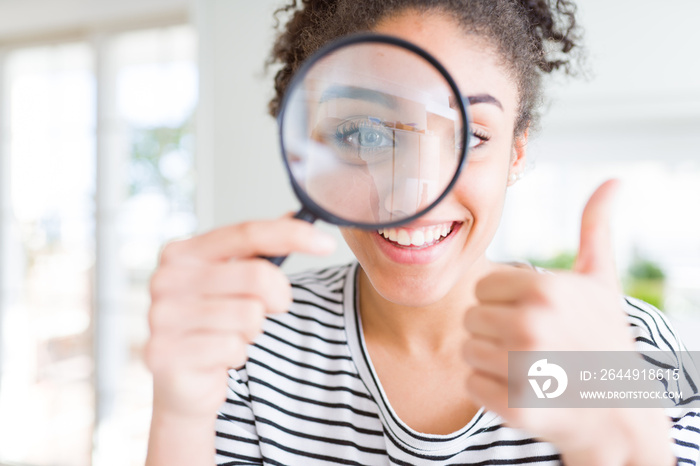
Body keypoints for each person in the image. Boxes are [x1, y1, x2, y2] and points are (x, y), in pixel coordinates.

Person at [144, 1, 700, 465]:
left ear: (517, 151)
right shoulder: (247, 339)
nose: (410, 197)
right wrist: (180, 413)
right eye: (361, 133)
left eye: (471, 137)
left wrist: (622, 447)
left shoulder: (626, 343)